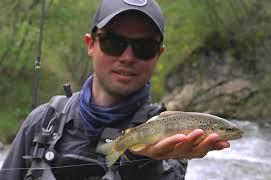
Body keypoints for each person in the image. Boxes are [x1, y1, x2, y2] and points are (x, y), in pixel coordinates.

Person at [0, 0, 230, 179]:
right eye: (113, 42)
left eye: (144, 47)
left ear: (158, 55)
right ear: (90, 44)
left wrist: (140, 162)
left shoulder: (175, 139)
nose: (127, 57)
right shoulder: (41, 121)